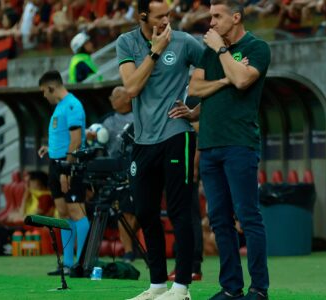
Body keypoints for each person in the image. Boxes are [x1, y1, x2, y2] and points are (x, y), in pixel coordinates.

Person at [169, 0, 271, 298]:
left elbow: (242, 81)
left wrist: (224, 54)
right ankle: (230, 289)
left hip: (240, 143)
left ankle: (259, 289)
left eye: (217, 16)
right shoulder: (208, 52)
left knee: (248, 217)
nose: (210, 22)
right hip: (210, 145)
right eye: (210, 16)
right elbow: (195, 90)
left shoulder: (257, 47)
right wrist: (224, 79)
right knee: (219, 220)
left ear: (236, 17)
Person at [116, 0, 204, 298]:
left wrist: (196, 111)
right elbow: (130, 89)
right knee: (144, 211)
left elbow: (220, 72)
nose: (167, 20)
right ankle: (156, 285)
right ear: (142, 17)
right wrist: (154, 51)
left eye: (168, 14)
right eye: (159, 16)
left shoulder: (184, 42)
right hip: (143, 141)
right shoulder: (127, 42)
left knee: (180, 211)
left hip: (176, 134)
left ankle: (182, 287)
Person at [37, 70, 89, 276]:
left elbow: (76, 140)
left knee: (76, 210)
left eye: (44, 91)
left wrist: (67, 168)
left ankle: (83, 262)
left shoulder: (72, 105)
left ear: (51, 88)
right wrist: (51, 149)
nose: (44, 96)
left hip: (70, 165)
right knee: (63, 212)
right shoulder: (59, 107)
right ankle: (67, 263)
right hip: (55, 162)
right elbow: (63, 138)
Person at [88, 86, 139, 263]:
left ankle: (134, 247)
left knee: (139, 211)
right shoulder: (107, 120)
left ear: (127, 98)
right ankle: (129, 252)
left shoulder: (139, 117)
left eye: (115, 96)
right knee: (123, 211)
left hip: (138, 168)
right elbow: (93, 137)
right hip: (116, 171)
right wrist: (90, 136)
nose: (111, 99)